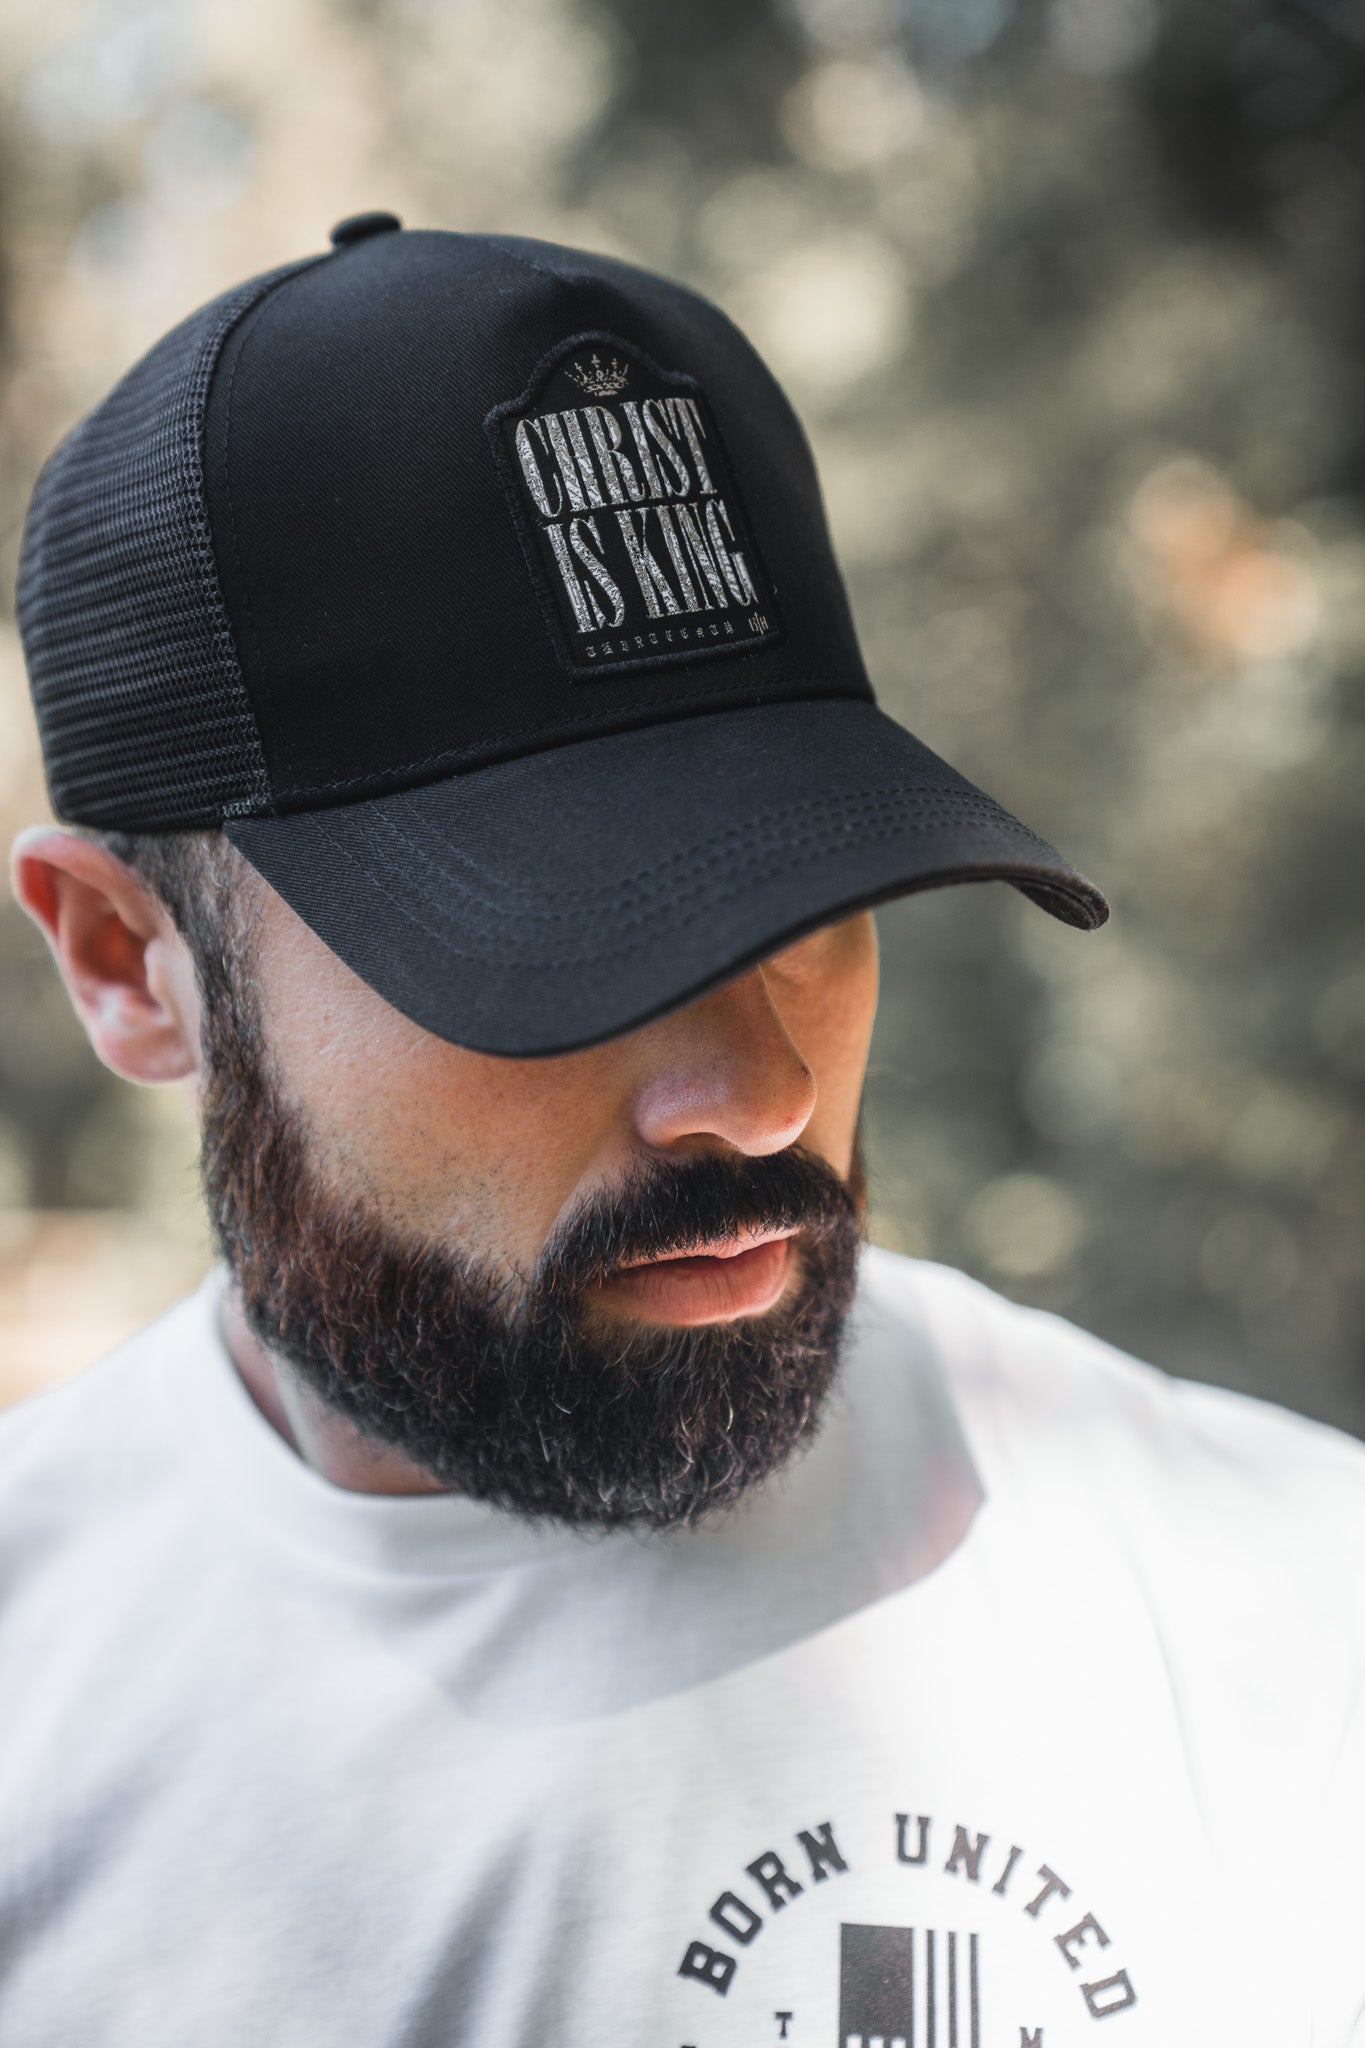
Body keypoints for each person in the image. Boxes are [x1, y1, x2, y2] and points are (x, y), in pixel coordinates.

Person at [1, 215, 1360, 2048]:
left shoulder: (1279, 1615)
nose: (760, 1096)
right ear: (124, 962)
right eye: (542, 948)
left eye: (796, 903)